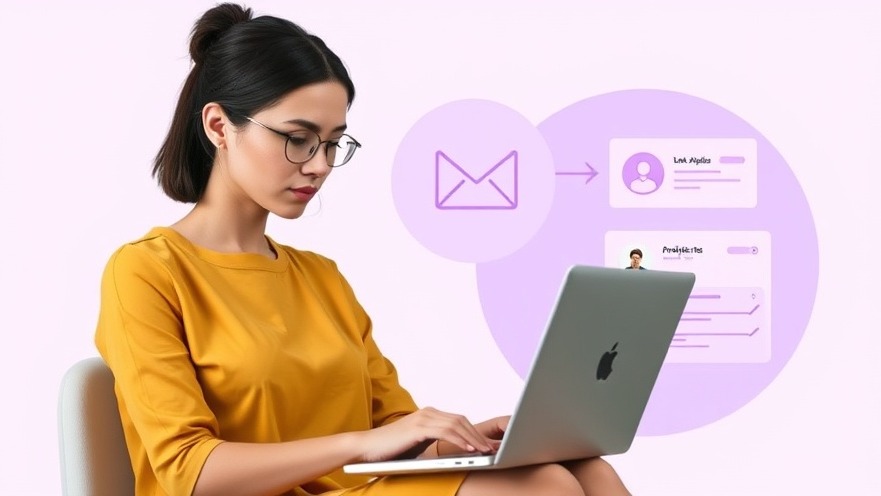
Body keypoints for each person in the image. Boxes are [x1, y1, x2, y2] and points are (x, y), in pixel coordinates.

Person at [94, 4, 631, 495]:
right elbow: (189, 471)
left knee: (587, 470)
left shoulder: (321, 277)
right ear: (219, 126)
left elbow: (392, 432)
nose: (320, 164)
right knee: (543, 490)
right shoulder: (146, 270)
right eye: (298, 137)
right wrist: (356, 445)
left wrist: (461, 439)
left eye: (332, 142)